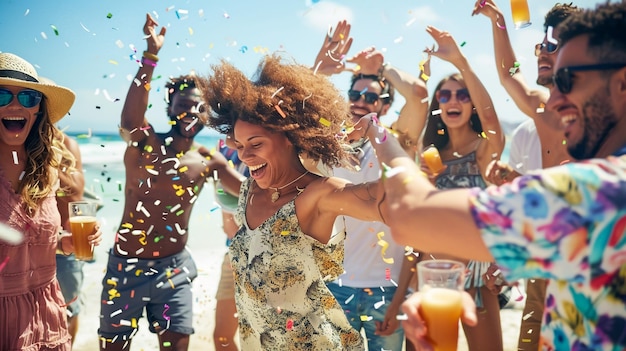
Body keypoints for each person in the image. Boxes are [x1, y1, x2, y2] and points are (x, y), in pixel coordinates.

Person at [357, 2, 626, 350]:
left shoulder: (597, 194)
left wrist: (378, 133)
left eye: (565, 80)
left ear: (621, 84)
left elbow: (410, 215)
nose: (552, 100)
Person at [202, 54, 392, 350]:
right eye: (240, 145)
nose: (245, 156)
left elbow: (395, 198)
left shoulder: (319, 195)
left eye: (256, 144)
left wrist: (376, 131)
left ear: (289, 136)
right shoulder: (250, 189)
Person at [97, 13, 214, 351]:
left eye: (199, 109)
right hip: (126, 266)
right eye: (183, 106)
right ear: (170, 107)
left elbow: (253, 192)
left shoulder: (208, 159)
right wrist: (151, 56)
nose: (190, 114)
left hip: (174, 270)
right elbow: (130, 120)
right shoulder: (146, 144)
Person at [312, 20, 428, 351]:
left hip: (388, 289)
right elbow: (291, 121)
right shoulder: (326, 147)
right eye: (355, 94)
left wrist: (383, 67)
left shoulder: (397, 143)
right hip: (337, 286)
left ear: (385, 106)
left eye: (370, 96)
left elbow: (419, 98)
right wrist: (322, 69)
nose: (361, 101)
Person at [474, 2, 580, 349]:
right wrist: (498, 21)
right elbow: (508, 74)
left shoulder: (603, 117)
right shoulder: (542, 108)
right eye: (540, 45)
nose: (542, 53)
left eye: (553, 45)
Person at [0, 52, 102, 351]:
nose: (16, 105)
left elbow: (32, 237)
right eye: (2, 95)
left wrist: (66, 243)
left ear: (38, 111)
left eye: (29, 98)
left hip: (47, 310)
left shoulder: (47, 169)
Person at [419, 25, 506, 351]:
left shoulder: (482, 150)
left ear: (471, 103)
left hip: (477, 279)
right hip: (432, 279)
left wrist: (462, 65)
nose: (453, 100)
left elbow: (493, 125)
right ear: (438, 106)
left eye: (462, 94)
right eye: (445, 95)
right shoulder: (430, 156)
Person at [213, 138, 249, 351]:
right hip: (234, 255)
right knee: (222, 338)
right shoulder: (224, 150)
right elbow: (226, 217)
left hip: (269, 260)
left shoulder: (273, 144)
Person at [54, 131, 87, 348]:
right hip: (25, 247)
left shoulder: (65, 143)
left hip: (67, 243)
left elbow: (76, 194)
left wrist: (47, 162)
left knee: (68, 309)